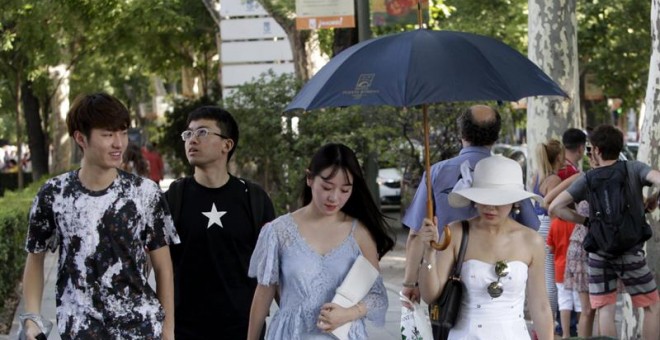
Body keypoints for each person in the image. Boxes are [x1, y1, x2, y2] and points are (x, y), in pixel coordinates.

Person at [21, 92, 180, 339]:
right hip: (79, 329)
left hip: (141, 328)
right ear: (80, 138)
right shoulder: (54, 194)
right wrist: (32, 319)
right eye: (107, 135)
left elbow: (163, 268)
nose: (119, 143)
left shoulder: (145, 193)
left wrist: (168, 332)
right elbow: (35, 258)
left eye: (123, 132)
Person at [247, 143, 395, 340]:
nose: (334, 197)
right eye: (327, 187)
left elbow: (378, 296)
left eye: (345, 190)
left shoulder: (359, 232)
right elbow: (263, 294)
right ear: (310, 178)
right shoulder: (278, 231)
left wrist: (348, 313)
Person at [401, 105, 540, 304]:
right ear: (495, 137)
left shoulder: (437, 172)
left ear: (461, 133)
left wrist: (410, 283)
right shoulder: (505, 174)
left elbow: (416, 234)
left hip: (443, 279)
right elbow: (531, 227)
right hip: (498, 277)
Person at [165, 106, 276, 340]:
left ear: (227, 144)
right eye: (188, 134)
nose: (192, 140)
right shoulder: (174, 198)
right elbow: (158, 265)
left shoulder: (254, 198)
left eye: (202, 132)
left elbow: (272, 268)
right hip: (185, 329)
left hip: (243, 328)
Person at [417, 155, 554, 339]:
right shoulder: (456, 232)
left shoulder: (532, 240)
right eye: (484, 198)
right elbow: (430, 295)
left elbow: (541, 306)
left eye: (499, 200)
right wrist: (429, 253)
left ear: (515, 201)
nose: (491, 207)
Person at [549, 124, 660, 340]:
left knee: (605, 308)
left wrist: (586, 221)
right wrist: (654, 197)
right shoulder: (634, 168)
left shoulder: (588, 178)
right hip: (630, 250)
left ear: (597, 150)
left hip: (598, 252)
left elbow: (555, 207)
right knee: (652, 306)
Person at [529, 139, 564, 320]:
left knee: (540, 278)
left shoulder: (537, 176)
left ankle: (541, 321)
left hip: (536, 225)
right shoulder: (555, 179)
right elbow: (555, 208)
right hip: (549, 226)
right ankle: (551, 321)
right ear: (559, 157)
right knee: (551, 279)